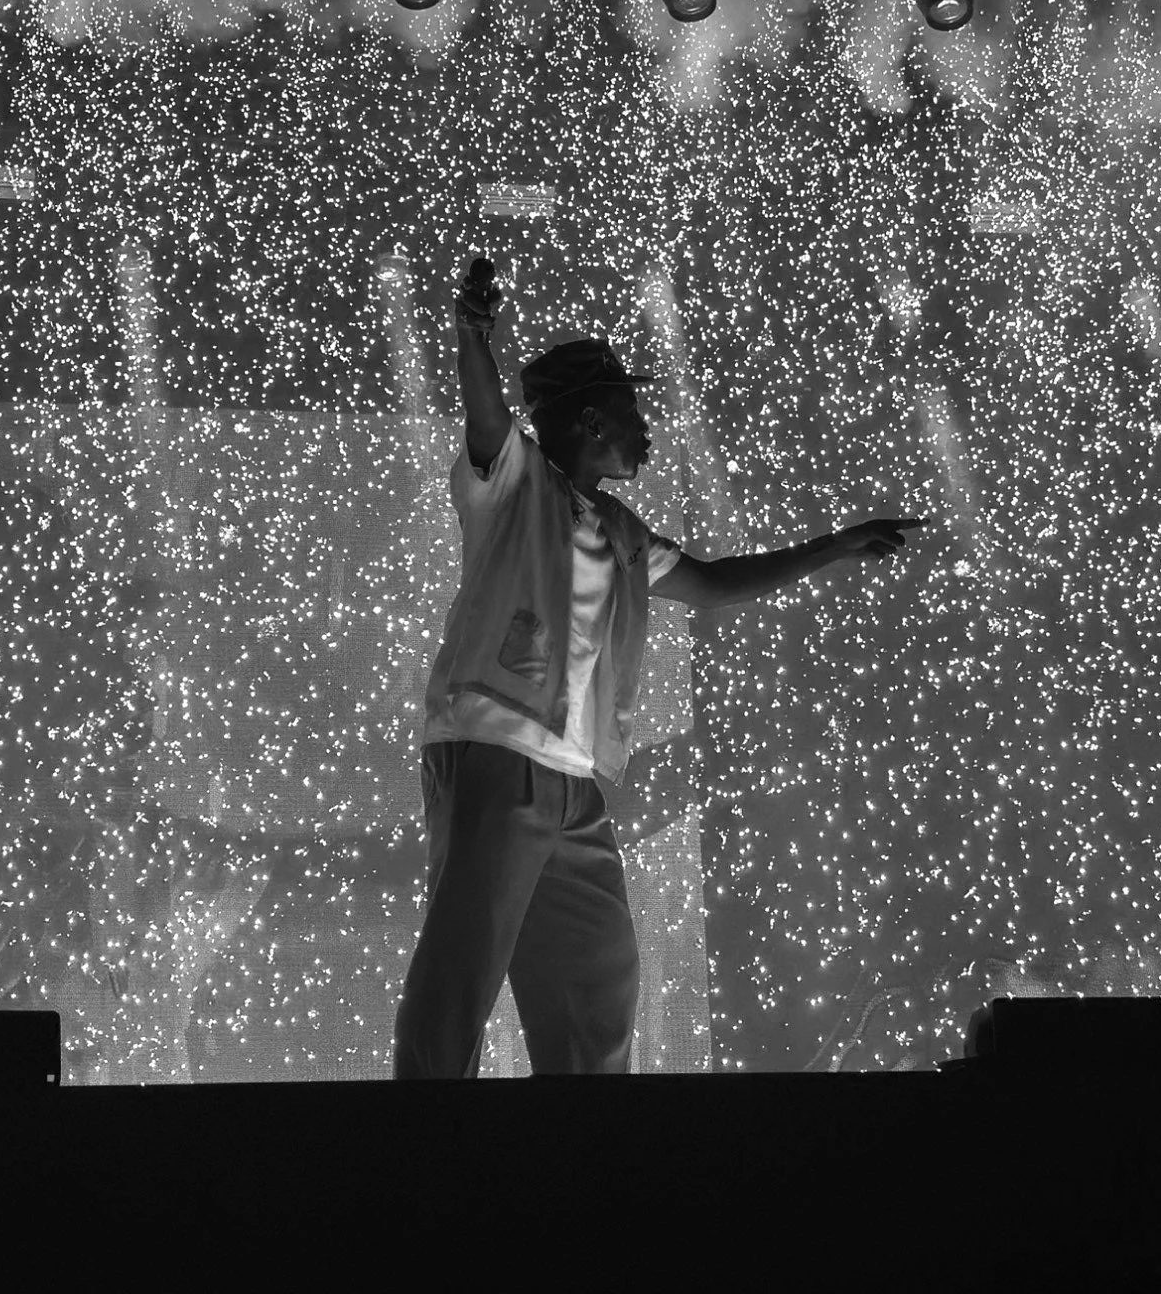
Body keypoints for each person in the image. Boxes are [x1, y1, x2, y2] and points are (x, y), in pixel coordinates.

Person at [391, 256, 927, 1078]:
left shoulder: (622, 529)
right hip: (494, 748)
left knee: (598, 981)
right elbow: (487, 412)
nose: (647, 426)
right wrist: (471, 336)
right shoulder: (512, 479)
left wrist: (835, 547)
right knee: (464, 966)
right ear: (589, 419)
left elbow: (711, 582)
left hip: (571, 777)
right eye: (631, 410)